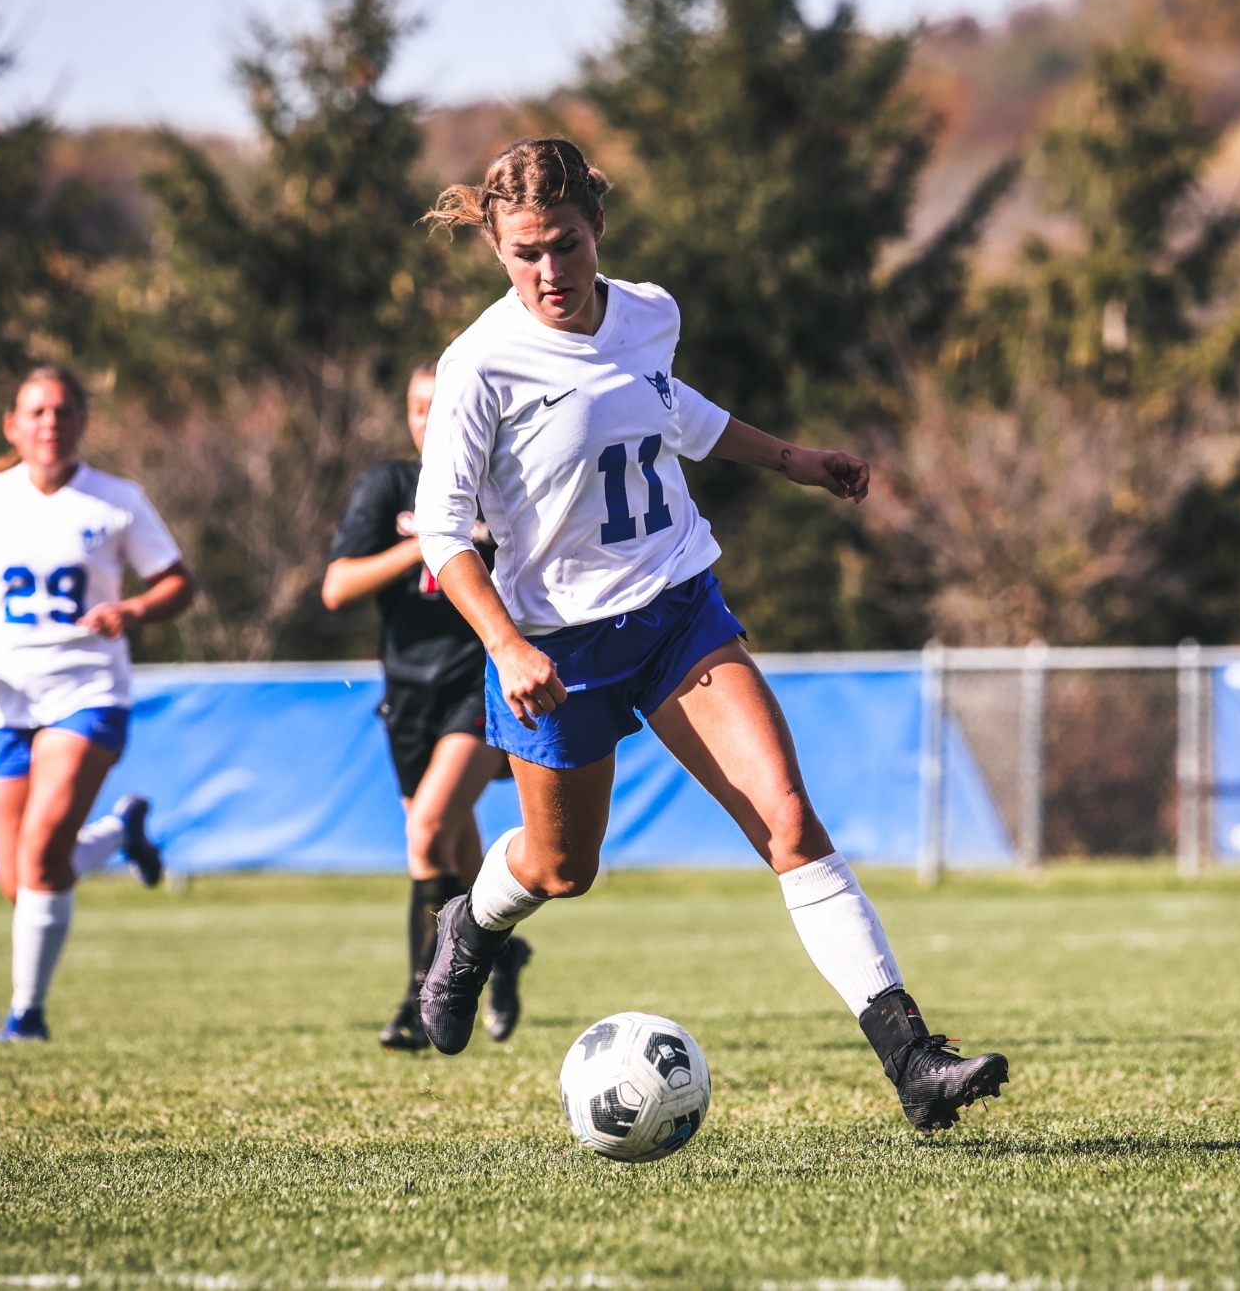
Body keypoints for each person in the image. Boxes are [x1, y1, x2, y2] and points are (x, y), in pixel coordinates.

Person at [410, 137, 1008, 1132]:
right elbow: (442, 534)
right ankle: (468, 923)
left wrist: (790, 459)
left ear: (595, 227)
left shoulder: (649, 313)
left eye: (563, 244)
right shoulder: (479, 367)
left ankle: (911, 1059)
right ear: (496, 249)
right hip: (558, 650)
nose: (547, 271)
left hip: (678, 605)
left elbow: (667, 410)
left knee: (784, 814)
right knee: (563, 869)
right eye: (523, 252)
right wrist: (509, 646)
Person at [0, 365, 197, 1042]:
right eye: (36, 412)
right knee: (22, 883)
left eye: (63, 411)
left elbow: (178, 583)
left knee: (42, 857)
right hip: (2, 700)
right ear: (12, 425)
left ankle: (27, 1014)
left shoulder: (115, 500)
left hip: (88, 694)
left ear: (82, 423)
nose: (50, 423)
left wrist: (133, 606)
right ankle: (119, 834)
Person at [322, 365, 529, 1052]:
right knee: (445, 833)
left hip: (482, 680)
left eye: (442, 406)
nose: (428, 418)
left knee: (430, 824)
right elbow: (336, 587)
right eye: (417, 407)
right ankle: (493, 949)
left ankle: (420, 999)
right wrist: (430, 539)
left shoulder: (503, 484)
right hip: (408, 692)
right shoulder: (388, 487)